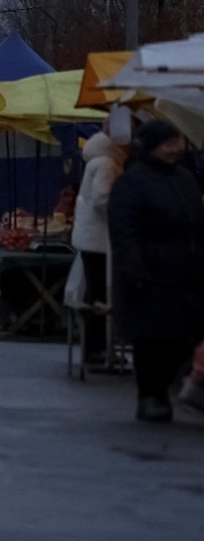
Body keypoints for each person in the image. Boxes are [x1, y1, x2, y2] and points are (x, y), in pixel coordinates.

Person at [108, 120, 204, 423]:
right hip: (150, 274)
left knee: (183, 337)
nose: (174, 148)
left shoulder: (185, 179)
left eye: (176, 142)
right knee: (151, 341)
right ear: (151, 146)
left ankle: (161, 389)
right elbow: (125, 232)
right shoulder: (132, 182)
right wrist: (134, 270)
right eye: (167, 143)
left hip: (185, 274)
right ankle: (150, 395)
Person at [70, 128, 125, 362]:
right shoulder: (107, 164)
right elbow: (102, 199)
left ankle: (95, 346)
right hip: (101, 241)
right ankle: (98, 347)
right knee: (101, 293)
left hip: (91, 238)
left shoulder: (97, 161)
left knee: (95, 291)